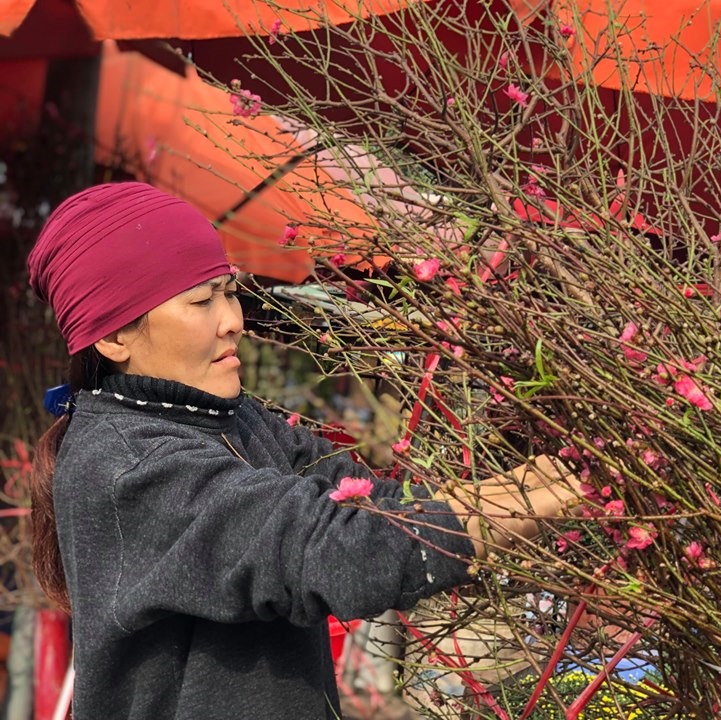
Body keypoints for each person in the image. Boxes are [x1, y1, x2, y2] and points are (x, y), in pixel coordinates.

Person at [26, 181, 576, 720]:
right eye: (200, 301)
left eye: (229, 291)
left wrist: (555, 480)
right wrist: (527, 502)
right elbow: (330, 550)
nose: (234, 321)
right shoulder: (128, 464)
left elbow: (371, 503)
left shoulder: (233, 418)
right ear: (115, 337)